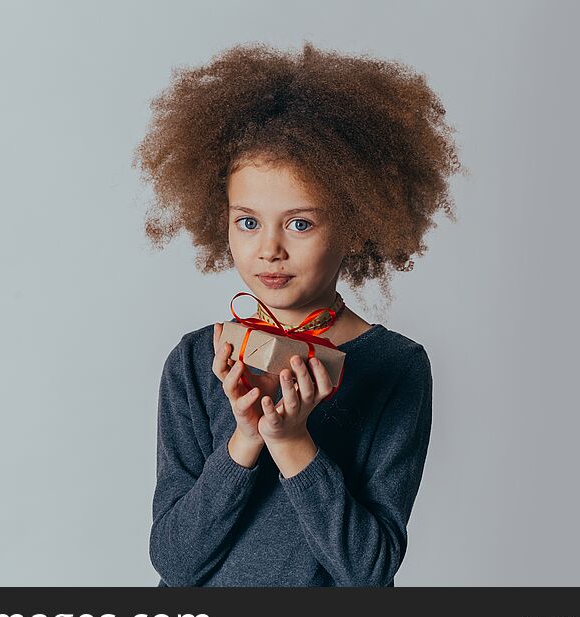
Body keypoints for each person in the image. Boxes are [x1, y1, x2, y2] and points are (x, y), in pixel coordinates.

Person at [133, 41, 465, 586]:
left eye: (301, 223)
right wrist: (245, 438)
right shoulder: (196, 361)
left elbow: (370, 570)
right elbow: (174, 562)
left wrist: (291, 441)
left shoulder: (397, 367)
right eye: (247, 221)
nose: (269, 249)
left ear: (357, 224)